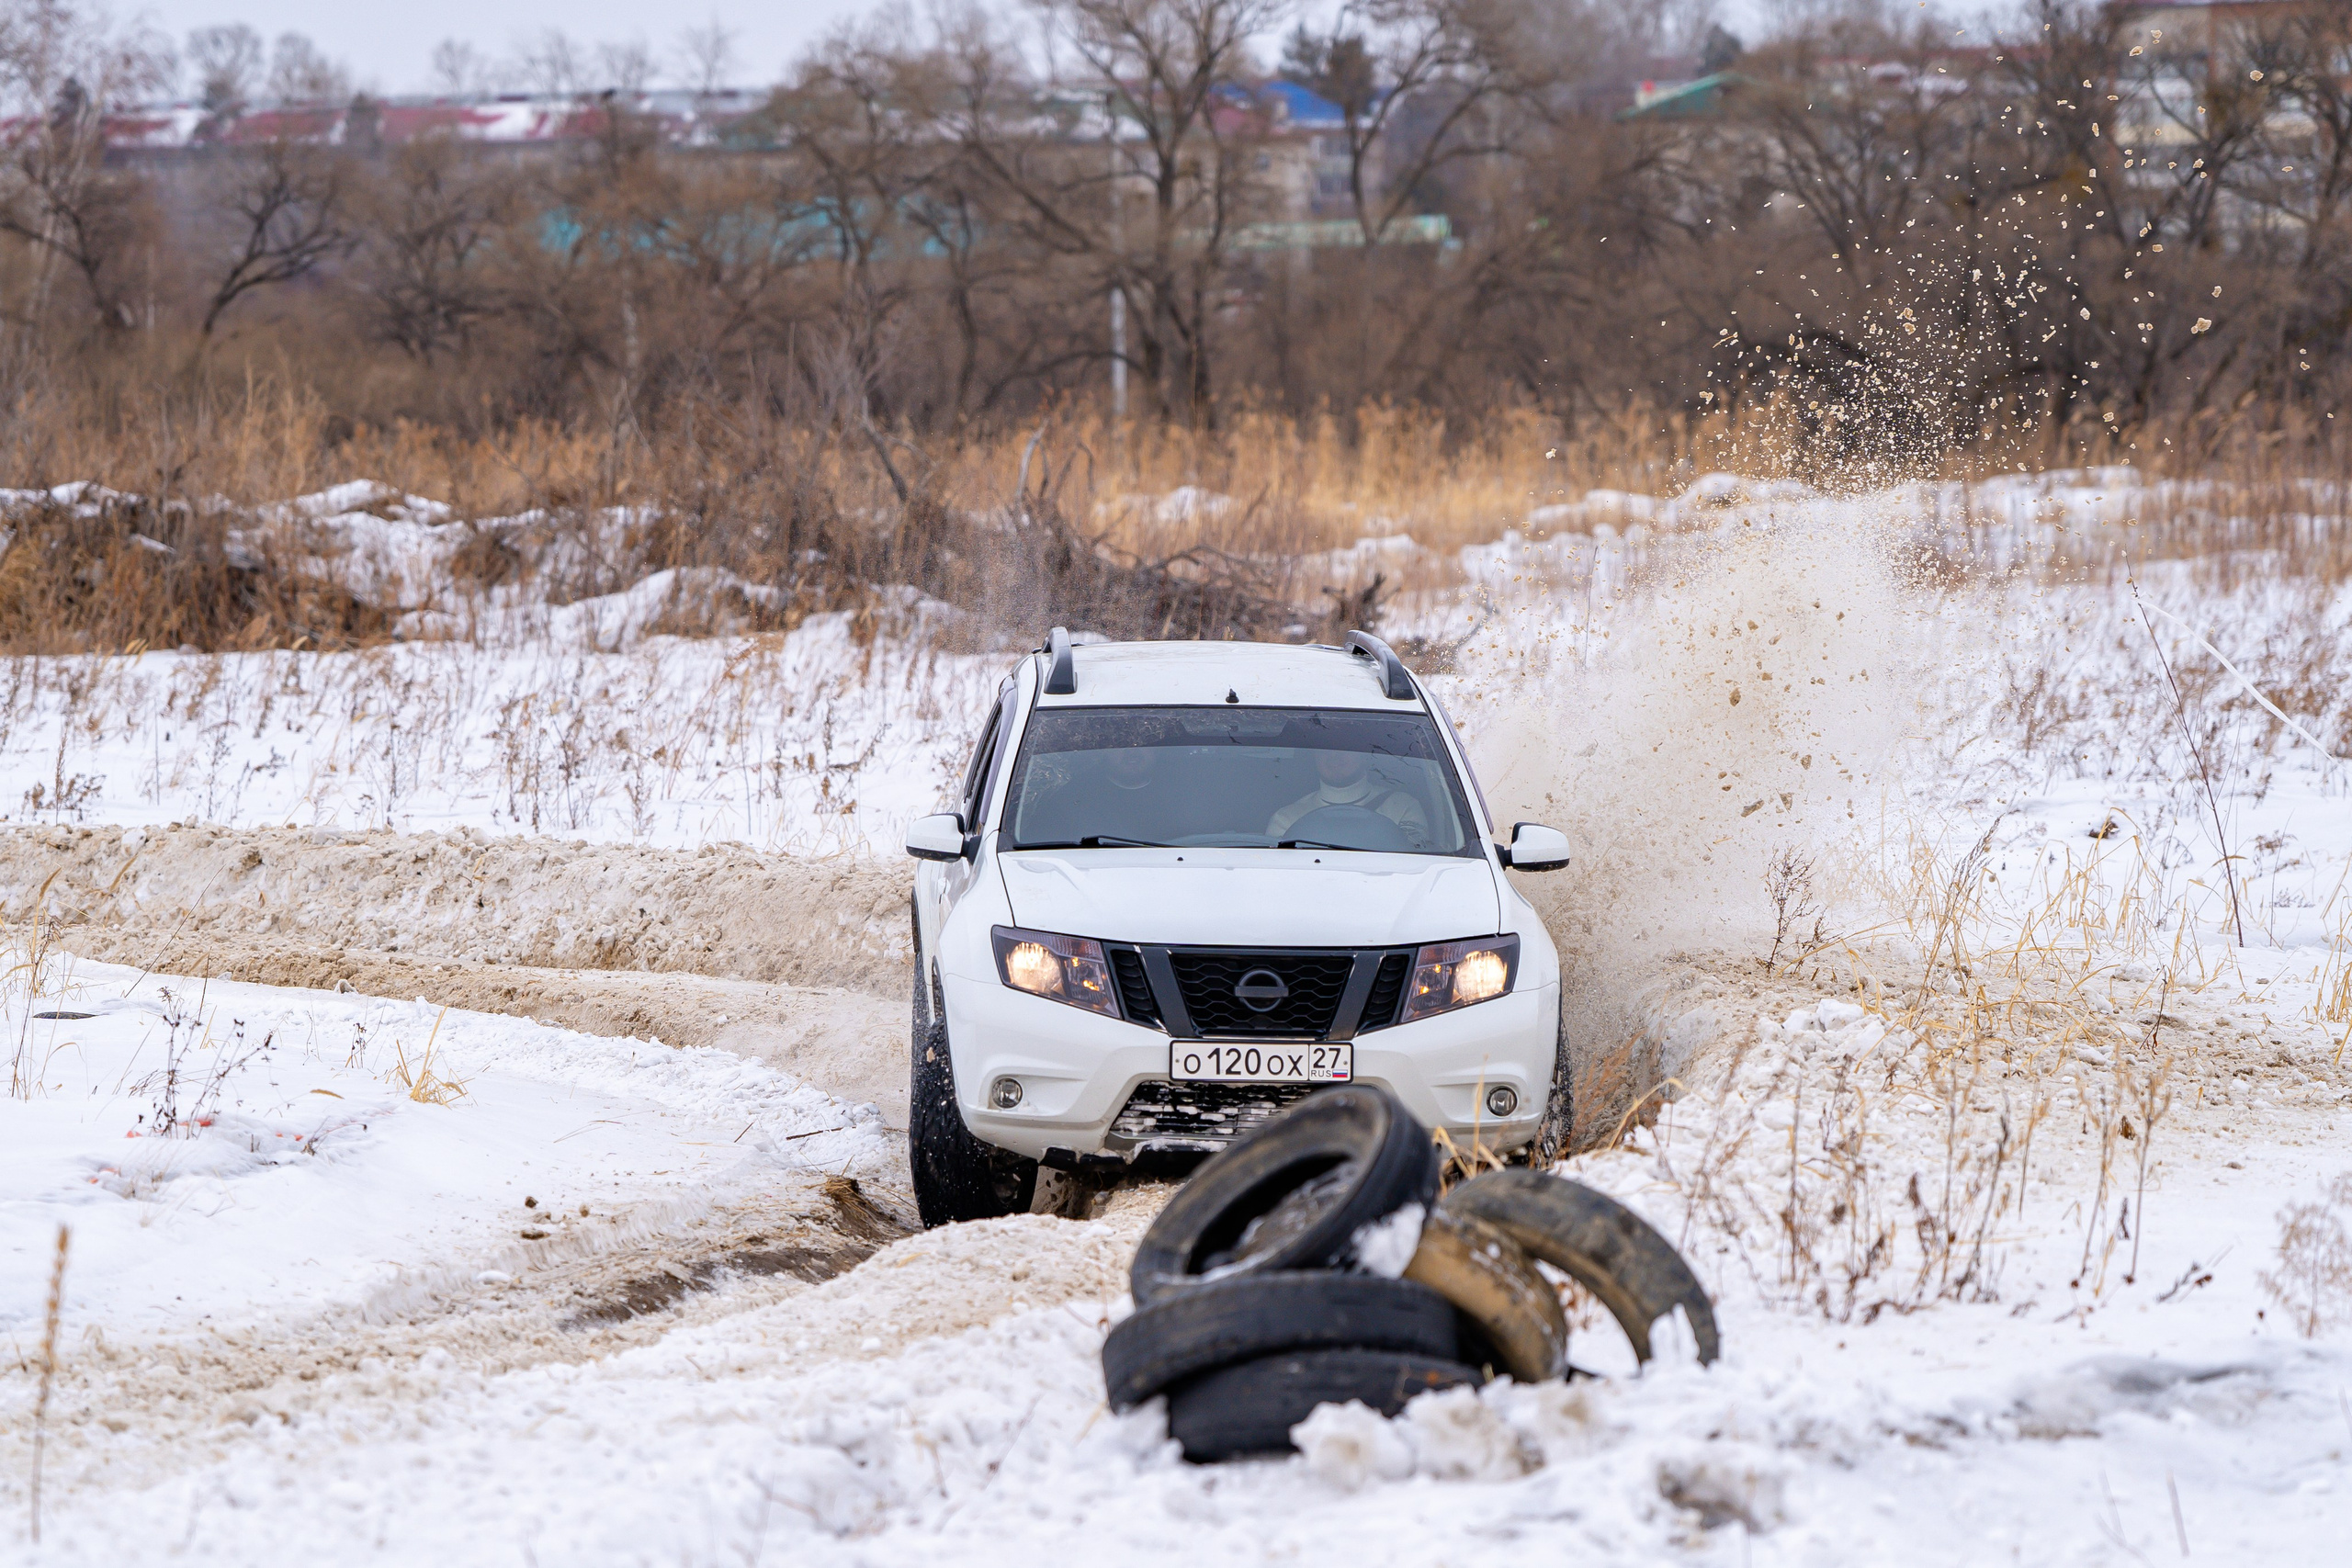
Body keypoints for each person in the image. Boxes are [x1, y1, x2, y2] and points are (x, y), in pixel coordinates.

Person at [1266, 749, 1428, 846]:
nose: (1334, 755)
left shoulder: (1403, 807)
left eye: (1345, 748)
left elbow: (1412, 861)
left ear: (1364, 755)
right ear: (1314, 757)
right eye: (1324, 750)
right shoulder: (1285, 820)